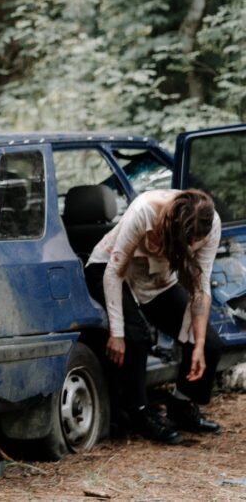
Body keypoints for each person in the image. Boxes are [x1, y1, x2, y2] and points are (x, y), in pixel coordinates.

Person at [84, 188, 223, 444]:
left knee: (209, 345)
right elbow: (113, 272)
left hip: (156, 279)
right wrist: (117, 332)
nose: (192, 249)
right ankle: (138, 414)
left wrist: (199, 345)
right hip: (110, 269)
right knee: (136, 337)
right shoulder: (144, 211)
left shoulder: (211, 224)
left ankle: (181, 406)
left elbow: (200, 289)